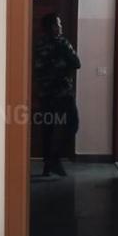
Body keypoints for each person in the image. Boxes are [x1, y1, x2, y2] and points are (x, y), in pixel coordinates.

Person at [33, 13, 81, 177]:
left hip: (44, 93)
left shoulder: (38, 44)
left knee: (48, 129)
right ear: (52, 27)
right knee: (72, 124)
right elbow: (77, 63)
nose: (60, 27)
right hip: (62, 93)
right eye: (58, 24)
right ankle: (54, 159)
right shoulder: (62, 43)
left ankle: (48, 165)